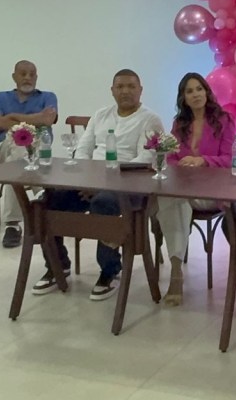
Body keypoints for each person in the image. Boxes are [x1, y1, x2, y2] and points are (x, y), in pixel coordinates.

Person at [32, 69, 164, 301]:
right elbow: (83, 149)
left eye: (131, 86)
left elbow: (144, 159)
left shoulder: (150, 119)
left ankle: (110, 270)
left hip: (129, 186)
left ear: (140, 90)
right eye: (120, 86)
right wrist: (87, 179)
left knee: (104, 203)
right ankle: (57, 265)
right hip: (90, 181)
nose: (125, 91)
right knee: (50, 200)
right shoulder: (101, 115)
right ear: (112, 91)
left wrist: (103, 183)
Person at [154, 72, 236, 307]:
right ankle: (176, 271)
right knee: (171, 199)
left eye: (199, 89)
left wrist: (202, 161)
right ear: (183, 98)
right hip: (184, 188)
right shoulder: (179, 123)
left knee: (174, 201)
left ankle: (175, 272)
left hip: (212, 190)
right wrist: (179, 164)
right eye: (189, 91)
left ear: (207, 92)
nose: (195, 94)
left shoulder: (224, 120)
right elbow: (170, 157)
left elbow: (228, 160)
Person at [0, 60, 58, 248]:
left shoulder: (48, 97)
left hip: (38, 151)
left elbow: (48, 119)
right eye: (23, 74)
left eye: (32, 74)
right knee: (19, 143)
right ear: (14, 76)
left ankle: (12, 225)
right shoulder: (1, 97)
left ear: (37, 77)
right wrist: (35, 120)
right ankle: (41, 194)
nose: (28, 77)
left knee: (17, 162)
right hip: (4, 148)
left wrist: (12, 117)